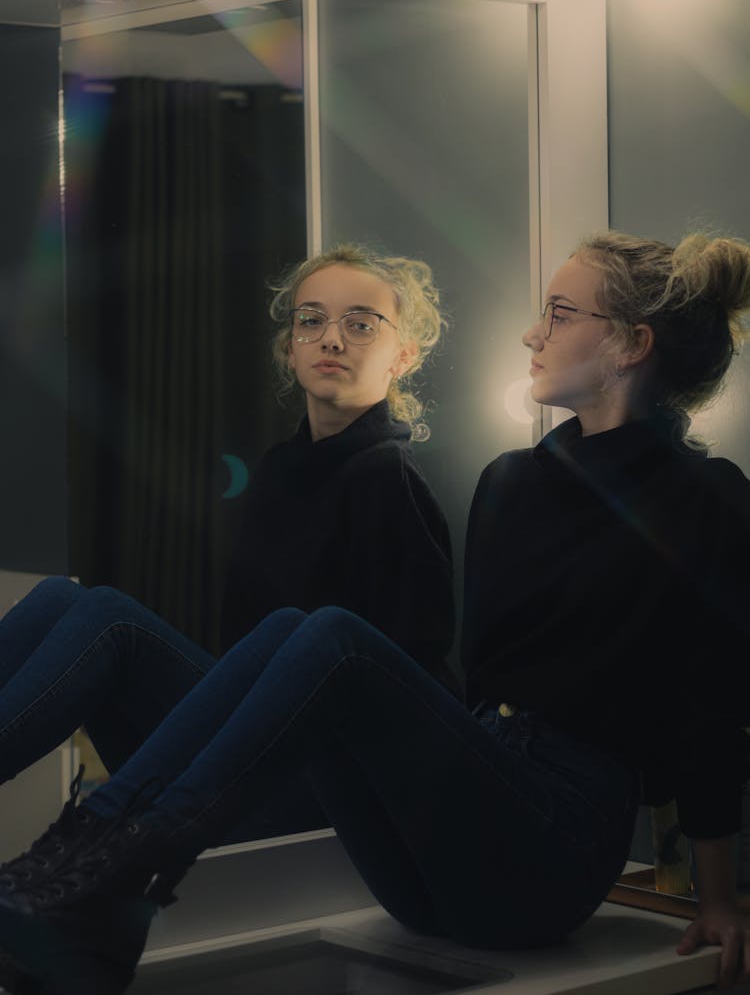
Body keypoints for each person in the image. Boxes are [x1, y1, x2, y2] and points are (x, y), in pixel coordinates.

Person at [0, 230, 748, 995]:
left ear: (630, 343)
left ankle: (104, 885)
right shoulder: (512, 481)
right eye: (311, 321)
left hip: (555, 850)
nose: (534, 332)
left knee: (329, 635)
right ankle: (79, 875)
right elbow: (483, 690)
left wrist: (717, 895)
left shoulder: (708, 498)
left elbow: (711, 706)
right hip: (437, 849)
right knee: (290, 629)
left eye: (558, 313)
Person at [0, 241, 455, 821]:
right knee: (60, 598)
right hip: (246, 731)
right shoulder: (278, 469)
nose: (332, 339)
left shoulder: (387, 478)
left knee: (108, 618)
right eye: (311, 321)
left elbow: (409, 683)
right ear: (290, 348)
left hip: (322, 771)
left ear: (404, 356)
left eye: (361, 325)